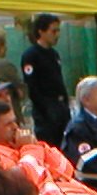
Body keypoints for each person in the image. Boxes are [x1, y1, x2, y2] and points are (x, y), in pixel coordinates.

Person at [21, 14, 69, 147]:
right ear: (41, 32)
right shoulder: (31, 55)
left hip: (60, 109)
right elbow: (32, 86)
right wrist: (46, 109)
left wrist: (64, 103)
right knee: (49, 146)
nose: (57, 34)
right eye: (53, 31)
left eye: (58, 31)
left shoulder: (54, 54)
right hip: (46, 113)